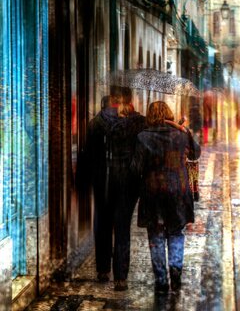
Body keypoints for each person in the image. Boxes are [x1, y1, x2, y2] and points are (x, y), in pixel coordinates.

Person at [130, 101, 200, 294]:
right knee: (176, 233)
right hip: (178, 192)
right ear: (169, 114)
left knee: (156, 237)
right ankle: (176, 273)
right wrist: (186, 132)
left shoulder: (143, 137)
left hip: (153, 194)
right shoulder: (180, 134)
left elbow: (135, 169)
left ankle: (161, 281)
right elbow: (196, 154)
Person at [106, 93, 147, 291]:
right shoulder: (140, 123)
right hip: (132, 181)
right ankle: (121, 275)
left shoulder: (113, 125)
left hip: (114, 179)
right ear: (132, 104)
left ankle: (119, 276)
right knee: (123, 225)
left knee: (119, 227)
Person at [81, 95, 119, 283]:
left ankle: (103, 268)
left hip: (99, 180)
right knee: (117, 224)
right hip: (117, 180)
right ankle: (118, 268)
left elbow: (87, 154)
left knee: (101, 222)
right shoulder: (121, 124)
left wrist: (86, 181)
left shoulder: (94, 123)